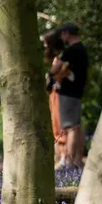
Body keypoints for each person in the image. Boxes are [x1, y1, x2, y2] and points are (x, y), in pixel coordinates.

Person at [51, 22, 88, 168]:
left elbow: (55, 68)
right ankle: (78, 160)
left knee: (70, 127)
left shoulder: (71, 51)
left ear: (67, 33)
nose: (61, 36)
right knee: (77, 126)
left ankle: (70, 161)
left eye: (62, 33)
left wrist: (50, 74)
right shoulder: (82, 49)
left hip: (67, 94)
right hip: (77, 93)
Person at [42, 30, 68, 166]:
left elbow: (58, 76)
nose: (45, 47)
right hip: (54, 94)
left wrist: (51, 76)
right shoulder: (57, 59)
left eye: (46, 44)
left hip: (59, 95)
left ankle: (65, 157)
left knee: (60, 123)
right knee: (56, 124)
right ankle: (62, 156)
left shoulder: (60, 60)